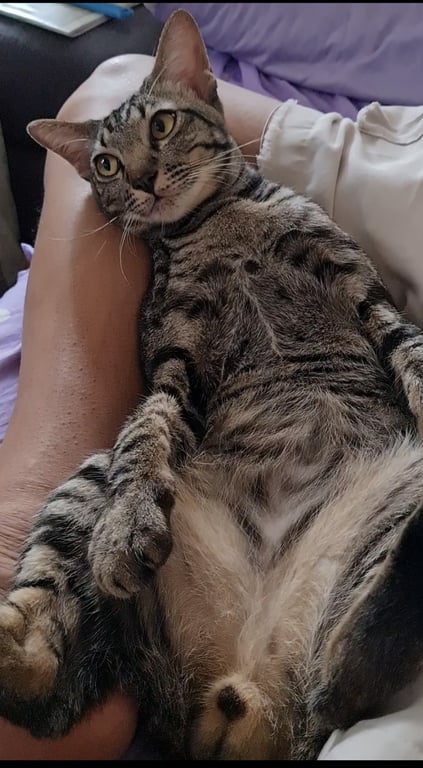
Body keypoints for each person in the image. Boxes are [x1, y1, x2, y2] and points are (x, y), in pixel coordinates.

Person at [1, 51, 423, 760]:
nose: (142, 173)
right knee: (109, 475)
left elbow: (384, 324)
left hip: (350, 492)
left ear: (205, 95)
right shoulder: (169, 265)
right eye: (109, 167)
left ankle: (343, 657)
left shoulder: (290, 212)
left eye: (162, 128)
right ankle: (38, 642)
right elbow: (175, 392)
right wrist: (136, 487)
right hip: (219, 532)